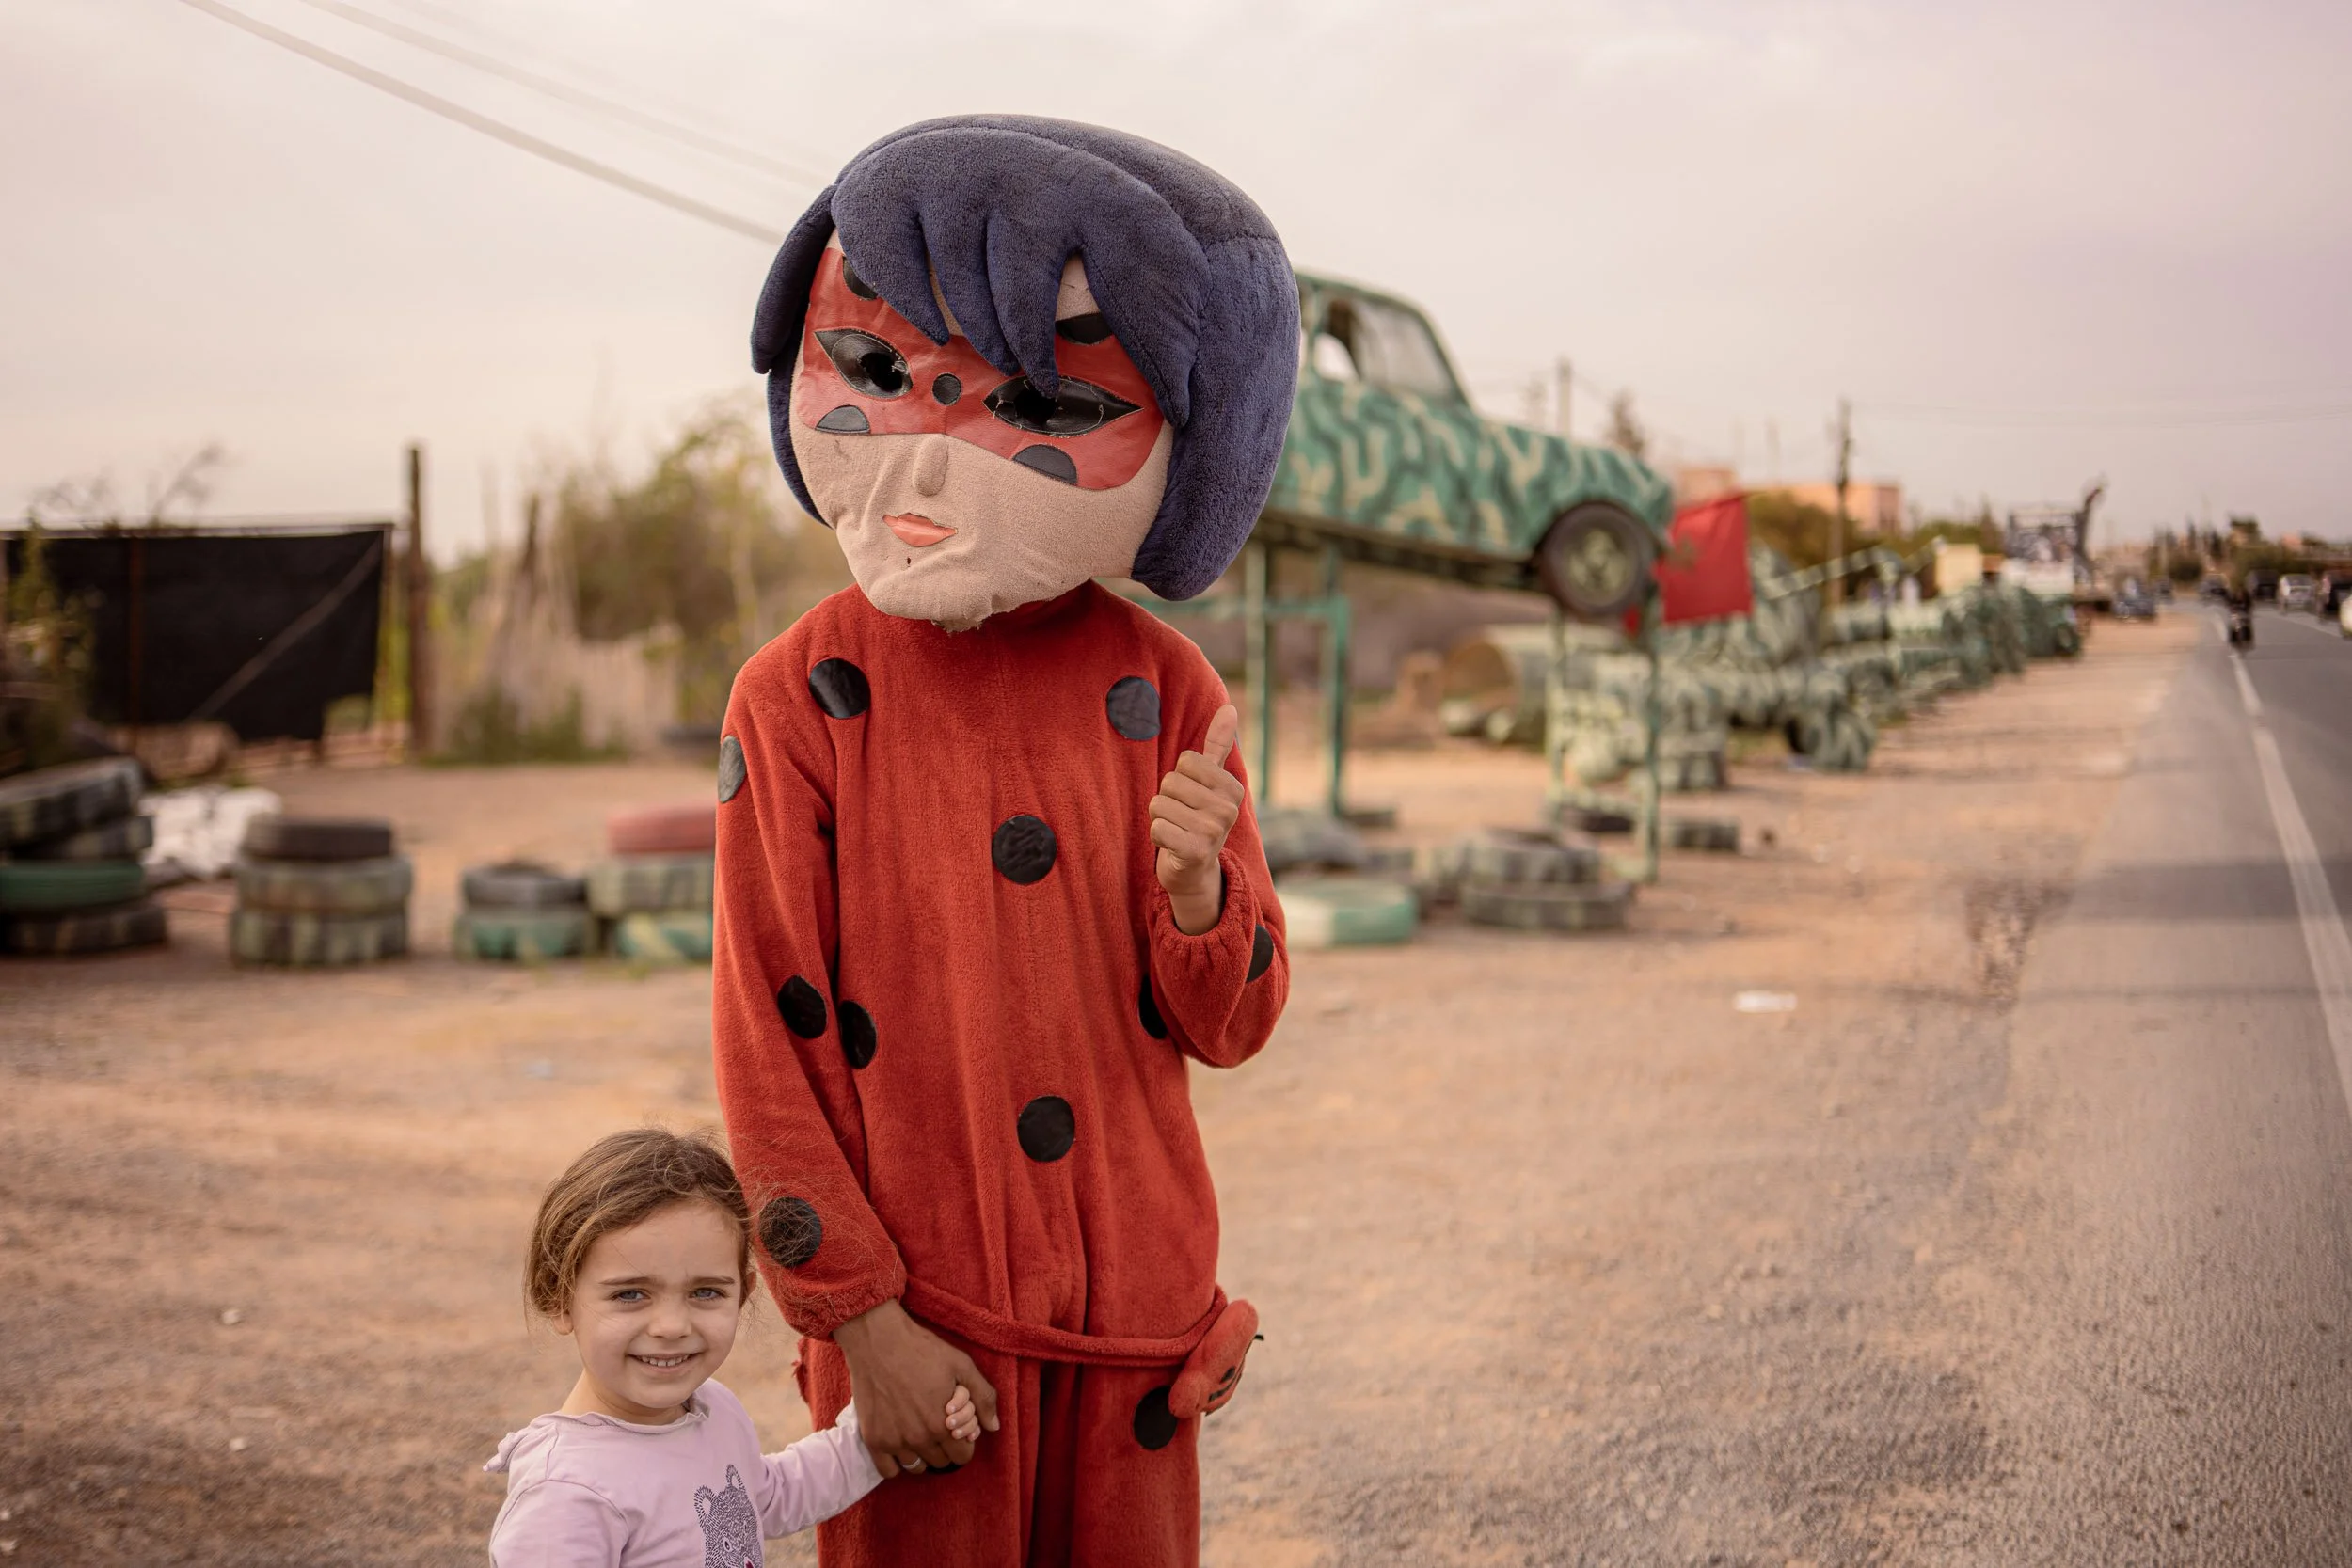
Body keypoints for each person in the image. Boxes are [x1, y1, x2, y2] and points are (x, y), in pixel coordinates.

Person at [715, 117, 1297, 1566]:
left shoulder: (1169, 689)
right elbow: (765, 1040)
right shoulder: (796, 699)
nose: (923, 450)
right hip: (928, 1333)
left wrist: (1196, 890)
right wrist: (859, 1317)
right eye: (878, 373)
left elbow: (1234, 1024)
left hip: (1133, 1326)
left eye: (1031, 395)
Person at [484, 1128, 981, 1566]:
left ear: (743, 1293)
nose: (672, 1326)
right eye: (630, 1294)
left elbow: (764, 1498)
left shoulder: (712, 1408)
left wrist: (876, 1432)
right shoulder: (566, 1493)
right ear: (558, 1296)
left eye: (705, 1292)